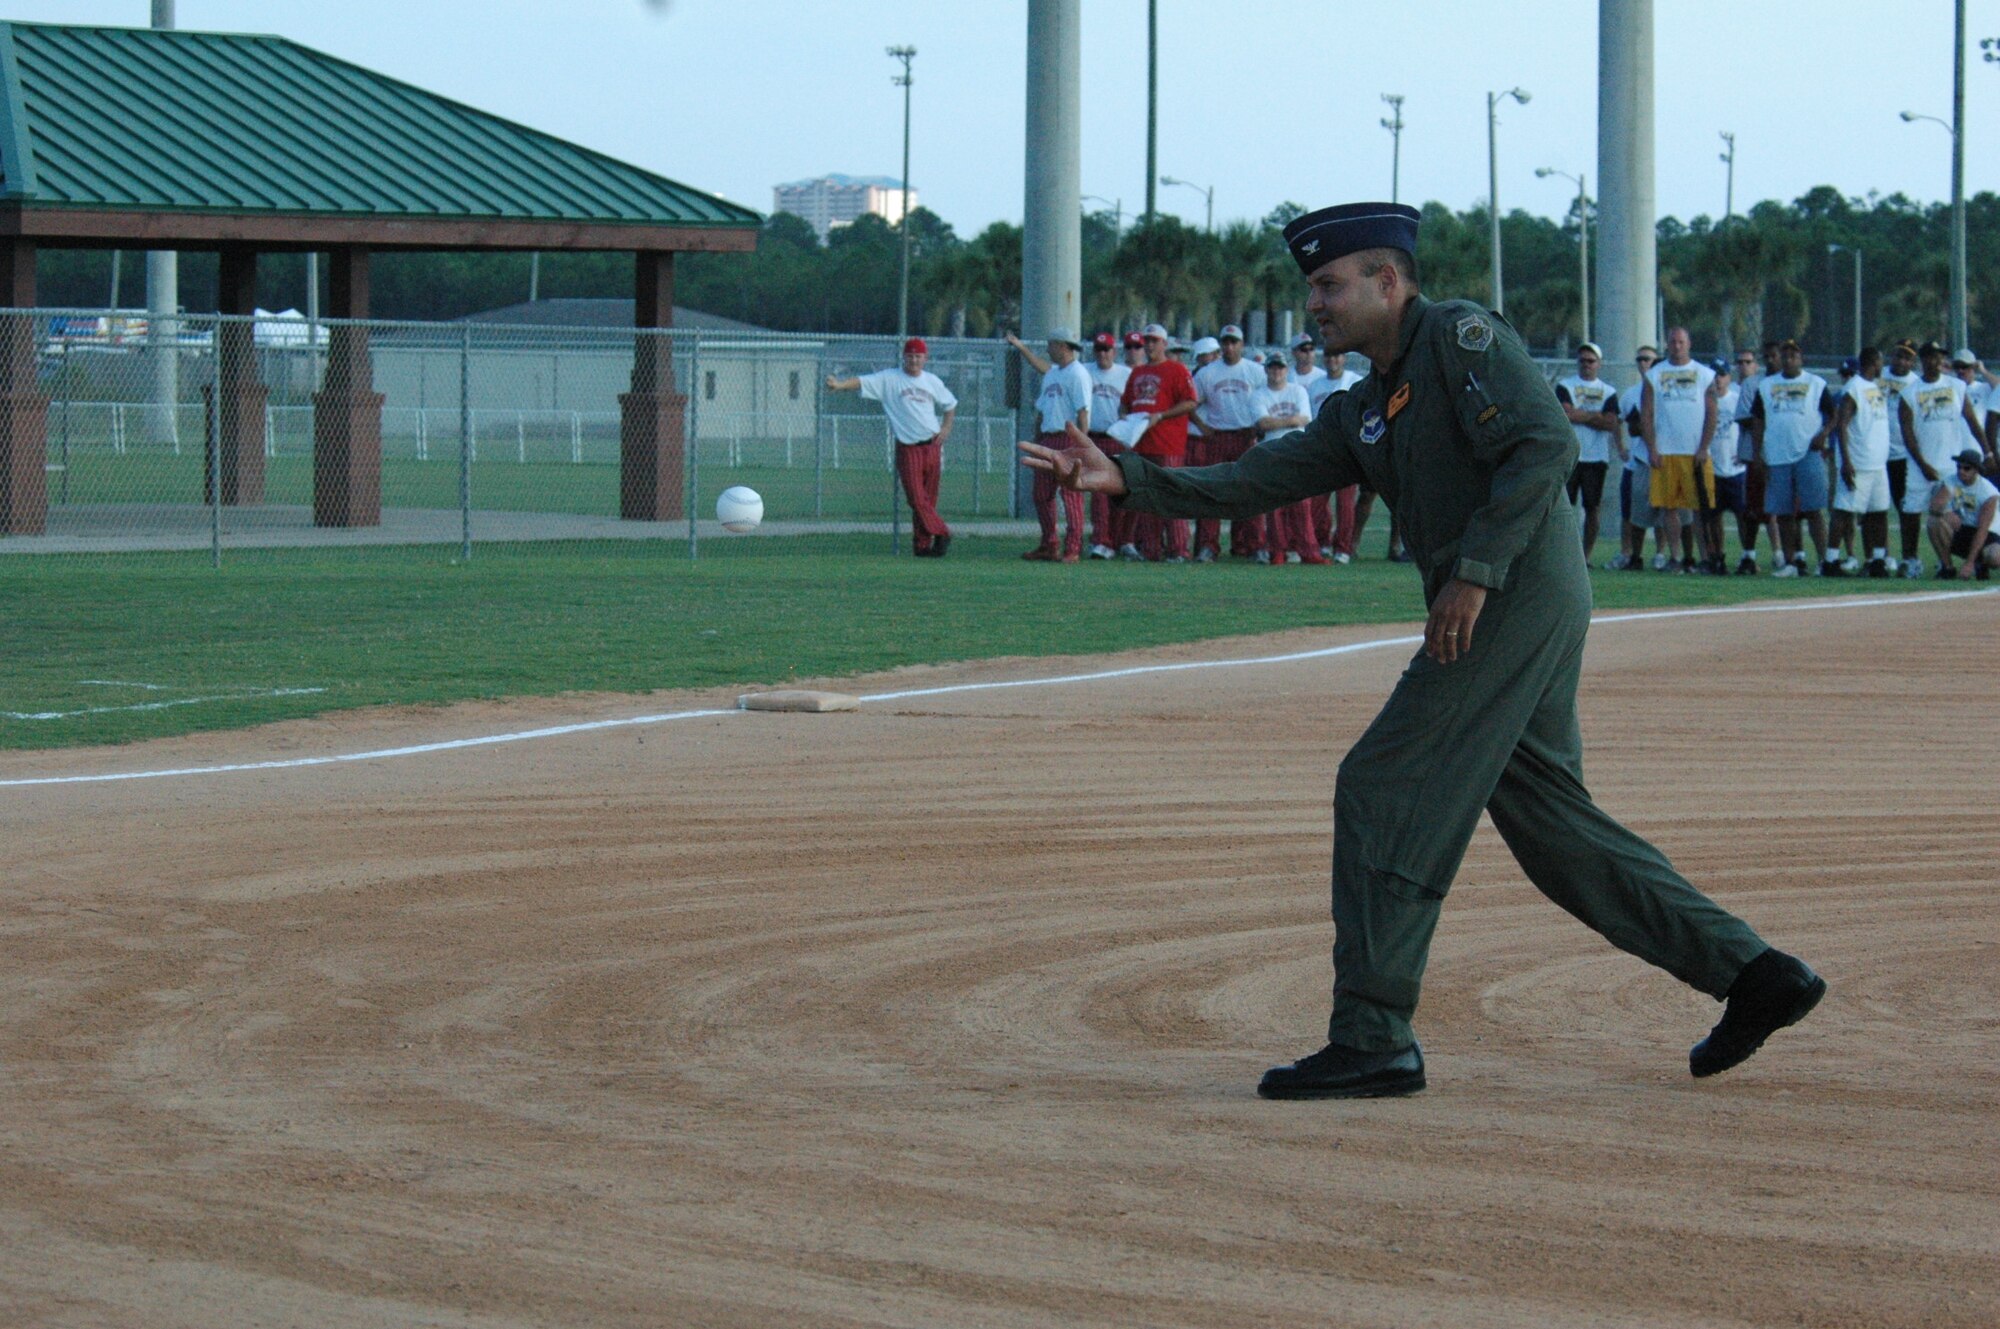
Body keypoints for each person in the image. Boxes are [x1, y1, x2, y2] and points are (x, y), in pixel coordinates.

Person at [1018, 201, 1822, 1098]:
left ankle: (1373, 1033)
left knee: (1383, 784)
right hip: (1500, 595)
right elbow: (1258, 477)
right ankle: (1755, 974)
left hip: (1511, 590)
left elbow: (1544, 443)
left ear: (1387, 280)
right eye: (1312, 288)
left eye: (1329, 285)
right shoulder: (1365, 406)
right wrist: (1128, 476)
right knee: (1553, 826)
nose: (1315, 304)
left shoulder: (1459, 337)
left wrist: (1474, 574)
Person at [825, 338, 957, 557]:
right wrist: (839, 385)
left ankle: (923, 545)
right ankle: (942, 531)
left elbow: (950, 404)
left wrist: (946, 426)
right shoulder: (890, 378)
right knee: (916, 498)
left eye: (918, 356)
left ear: (925, 359)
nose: (914, 360)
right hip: (909, 447)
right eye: (910, 356)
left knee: (928, 500)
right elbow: (861, 381)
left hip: (932, 444)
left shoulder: (931, 381)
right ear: (904, 357)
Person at [1896, 341, 1986, 576]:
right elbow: (1908, 435)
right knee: (1912, 513)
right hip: (1920, 465)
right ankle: (1911, 559)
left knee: (1953, 517)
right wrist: (1922, 463)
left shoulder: (1956, 386)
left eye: (1938, 357)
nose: (1935, 362)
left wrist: (1987, 451)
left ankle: (1946, 560)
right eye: (1930, 357)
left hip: (1950, 466)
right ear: (1922, 361)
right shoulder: (1909, 393)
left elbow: (1972, 421)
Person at [1006, 327, 1093, 562]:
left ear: (1063, 346)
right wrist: (1038, 438)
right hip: (1048, 438)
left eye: (1051, 344)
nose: (1048, 349)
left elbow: (1083, 413)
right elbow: (1042, 409)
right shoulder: (1054, 374)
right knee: (1042, 494)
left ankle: (1073, 548)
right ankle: (1049, 544)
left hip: (1068, 438)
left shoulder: (1078, 374)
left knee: (1070, 494)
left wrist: (1082, 448)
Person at [1749, 339, 1831, 577]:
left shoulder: (1815, 383)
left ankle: (1824, 560)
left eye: (1793, 355)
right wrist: (1757, 454)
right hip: (1776, 456)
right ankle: (1791, 563)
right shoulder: (1766, 386)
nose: (1788, 359)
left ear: (1801, 357)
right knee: (1784, 513)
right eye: (1784, 355)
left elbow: (1832, 414)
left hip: (1807, 453)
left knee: (1814, 509)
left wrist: (1823, 434)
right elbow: (1757, 420)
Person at [1118, 322, 1197, 561]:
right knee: (1148, 499)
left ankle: (1179, 549)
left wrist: (1161, 415)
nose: (1150, 345)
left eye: (1154, 341)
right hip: (1142, 444)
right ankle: (1151, 548)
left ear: (1164, 343)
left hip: (1168, 444)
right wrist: (1124, 416)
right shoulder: (1138, 372)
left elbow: (1190, 402)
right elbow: (1126, 402)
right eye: (1147, 341)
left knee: (1171, 496)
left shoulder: (1177, 370)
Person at [1190, 326, 1270, 563]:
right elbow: (1190, 402)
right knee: (1212, 491)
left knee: (1250, 492)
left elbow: (1267, 397)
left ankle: (1255, 545)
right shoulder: (1207, 373)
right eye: (1225, 343)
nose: (1229, 347)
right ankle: (1208, 546)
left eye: (1234, 342)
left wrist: (1259, 426)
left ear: (1242, 345)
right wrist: (1202, 426)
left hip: (1246, 435)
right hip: (1218, 436)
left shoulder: (1254, 371)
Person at [1641, 328, 1717, 574]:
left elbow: (1711, 413)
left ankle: (1704, 557)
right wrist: (1652, 448)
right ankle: (1676, 557)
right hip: (1666, 451)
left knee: (1699, 508)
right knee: (1669, 507)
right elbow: (1647, 414)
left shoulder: (1704, 375)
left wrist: (1704, 446)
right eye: (1672, 341)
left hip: (1695, 452)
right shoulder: (1655, 375)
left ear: (1689, 343)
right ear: (1667, 345)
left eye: (1681, 341)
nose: (1677, 346)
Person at [1249, 353, 1326, 564]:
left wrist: (1279, 421)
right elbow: (1262, 424)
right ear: (1266, 370)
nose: (1276, 372)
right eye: (1272, 368)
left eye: (1280, 368)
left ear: (1286, 370)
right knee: (1275, 506)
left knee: (1301, 504)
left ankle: (1308, 551)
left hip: (1296, 450)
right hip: (1271, 452)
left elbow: (1304, 419)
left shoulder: (1298, 390)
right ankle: (1278, 550)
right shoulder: (1258, 395)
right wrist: (1290, 421)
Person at [1828, 347, 1894, 578]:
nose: (1882, 367)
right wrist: (1846, 461)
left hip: (1877, 464)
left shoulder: (1874, 388)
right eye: (1880, 362)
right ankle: (1831, 560)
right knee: (1844, 511)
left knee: (1879, 512)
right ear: (1872, 362)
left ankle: (1877, 560)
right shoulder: (1853, 388)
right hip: (1858, 462)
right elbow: (1842, 424)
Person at [1555, 343, 1623, 564]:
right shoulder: (1565, 386)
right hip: (1571, 455)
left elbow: (1611, 422)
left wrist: (1580, 414)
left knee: (1592, 507)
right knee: (1563, 507)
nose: (1586, 365)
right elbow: (1566, 415)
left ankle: (1586, 556)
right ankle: (1562, 554)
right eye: (1582, 360)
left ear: (1599, 364)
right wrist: (1596, 416)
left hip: (1596, 457)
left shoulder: (1608, 391)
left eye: (1591, 361)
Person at [1728, 346, 1781, 573]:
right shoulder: (1752, 384)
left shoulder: (1790, 384)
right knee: (1753, 508)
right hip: (1755, 455)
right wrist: (1776, 422)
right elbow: (1744, 418)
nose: (1771, 360)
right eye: (1767, 357)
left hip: (1783, 455)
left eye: (1774, 356)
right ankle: (1748, 555)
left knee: (1783, 509)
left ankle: (1786, 555)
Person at [1082, 332, 1134, 559]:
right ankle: (1101, 541)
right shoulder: (1085, 371)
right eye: (1099, 349)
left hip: (1118, 438)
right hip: (1095, 438)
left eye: (1107, 349)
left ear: (1115, 352)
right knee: (1099, 494)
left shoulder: (1126, 374)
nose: (1103, 354)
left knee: (1122, 493)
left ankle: (1123, 540)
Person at [1314, 348, 1368, 562]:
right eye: (1328, 356)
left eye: (1337, 356)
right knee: (1319, 501)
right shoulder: (1316, 384)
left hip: (1347, 448)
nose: (1332, 360)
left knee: (1345, 503)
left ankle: (1343, 548)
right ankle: (1323, 542)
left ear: (1344, 358)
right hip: (1324, 448)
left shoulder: (1354, 381)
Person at [1614, 346, 1660, 570]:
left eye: (1648, 359)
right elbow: (1621, 422)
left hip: (1660, 460)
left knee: (1663, 510)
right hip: (1638, 459)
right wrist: (1621, 447)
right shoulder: (1631, 393)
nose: (1644, 363)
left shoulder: (1662, 390)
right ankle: (1628, 552)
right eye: (1640, 359)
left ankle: (1661, 553)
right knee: (1631, 512)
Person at [1880, 339, 1922, 576]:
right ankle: (1883, 556)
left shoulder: (1915, 384)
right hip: (1877, 452)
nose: (1901, 361)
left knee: (1905, 507)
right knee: (1878, 508)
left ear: (1912, 361)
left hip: (1902, 454)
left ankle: (1910, 557)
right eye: (1898, 355)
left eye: (1907, 357)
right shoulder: (1879, 375)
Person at [1927, 449, 2000, 579]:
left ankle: (1980, 564)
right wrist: (1946, 512)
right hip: (1962, 529)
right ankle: (1947, 568)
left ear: (1976, 470)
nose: (1961, 471)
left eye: (1967, 468)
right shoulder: (1951, 481)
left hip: (1988, 534)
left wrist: (1969, 563)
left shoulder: (1988, 493)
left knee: (1994, 558)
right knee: (1934, 521)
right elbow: (1934, 506)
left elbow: (1983, 530)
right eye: (1959, 467)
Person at [1705, 358, 1748, 576]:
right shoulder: (1704, 400)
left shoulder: (1738, 398)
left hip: (1736, 468)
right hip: (1713, 467)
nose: (1718, 379)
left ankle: (1747, 555)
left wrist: (1745, 453)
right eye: (1714, 375)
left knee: (1743, 515)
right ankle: (1718, 557)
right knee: (1714, 517)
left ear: (1729, 377)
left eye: (1722, 375)